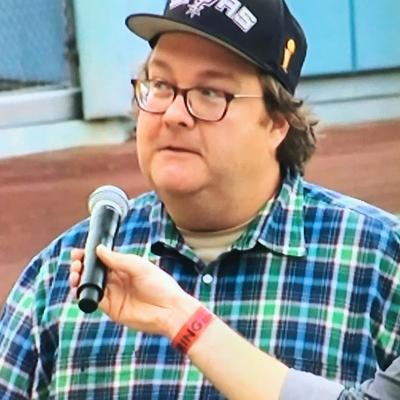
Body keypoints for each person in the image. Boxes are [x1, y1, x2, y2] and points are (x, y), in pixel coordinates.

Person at [0, 0, 399, 398]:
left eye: (210, 92)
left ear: (277, 123)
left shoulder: (378, 262)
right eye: (160, 85)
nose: (174, 114)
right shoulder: (61, 274)